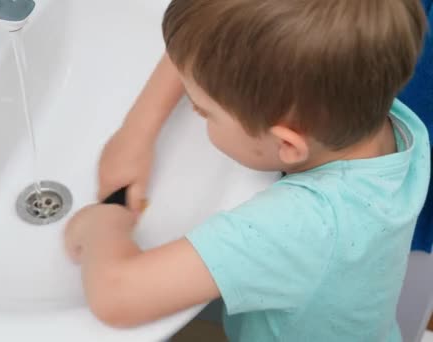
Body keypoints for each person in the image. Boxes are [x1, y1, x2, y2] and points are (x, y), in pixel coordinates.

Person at [64, 0, 430, 341]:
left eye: (205, 112)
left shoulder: (306, 224)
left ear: (287, 145)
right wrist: (137, 132)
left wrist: (102, 224)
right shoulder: (389, 121)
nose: (196, 113)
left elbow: (118, 296)